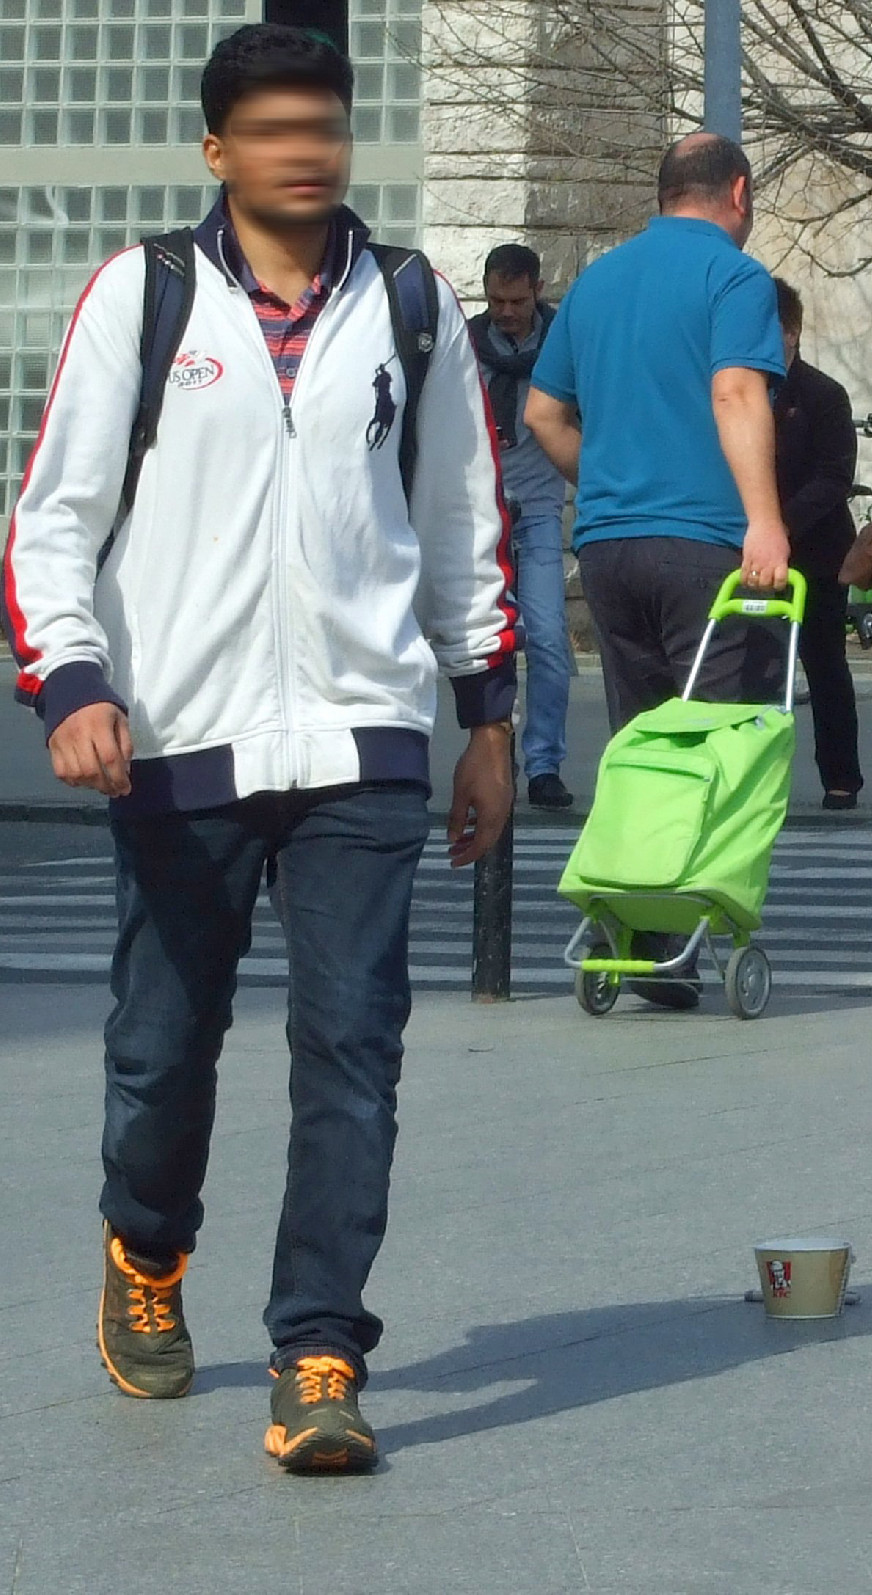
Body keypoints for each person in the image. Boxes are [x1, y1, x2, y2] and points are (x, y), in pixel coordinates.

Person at [3, 24, 516, 1470]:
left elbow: (462, 522)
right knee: (164, 1049)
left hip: (363, 735)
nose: (309, 150)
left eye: (328, 126)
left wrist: (485, 723)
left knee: (354, 1048)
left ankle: (320, 1349)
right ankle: (148, 1247)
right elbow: (53, 515)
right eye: (276, 128)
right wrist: (74, 683)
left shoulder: (410, 304)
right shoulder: (142, 297)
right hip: (178, 733)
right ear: (219, 150)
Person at [524, 131, 790, 1007]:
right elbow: (737, 390)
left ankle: (643, 927)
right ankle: (692, 923)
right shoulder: (736, 279)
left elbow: (542, 413)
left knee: (639, 740)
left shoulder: (597, 281)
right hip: (707, 545)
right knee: (717, 745)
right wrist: (765, 520)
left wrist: (602, 481)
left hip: (608, 543)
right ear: (738, 194)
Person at [469, 242, 574, 810]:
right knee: (487, 641)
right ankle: (490, 753)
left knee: (550, 639)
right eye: (495, 301)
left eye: (515, 300)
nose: (505, 312)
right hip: (481, 510)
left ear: (536, 289)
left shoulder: (564, 343)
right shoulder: (464, 343)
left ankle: (544, 765)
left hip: (535, 508)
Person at [770, 278, 863, 808]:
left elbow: (833, 476)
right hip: (750, 551)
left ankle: (841, 776)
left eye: (775, 331)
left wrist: (780, 525)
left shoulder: (823, 394)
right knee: (754, 668)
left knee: (824, 663)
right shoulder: (737, 389)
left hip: (817, 553)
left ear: (794, 332)